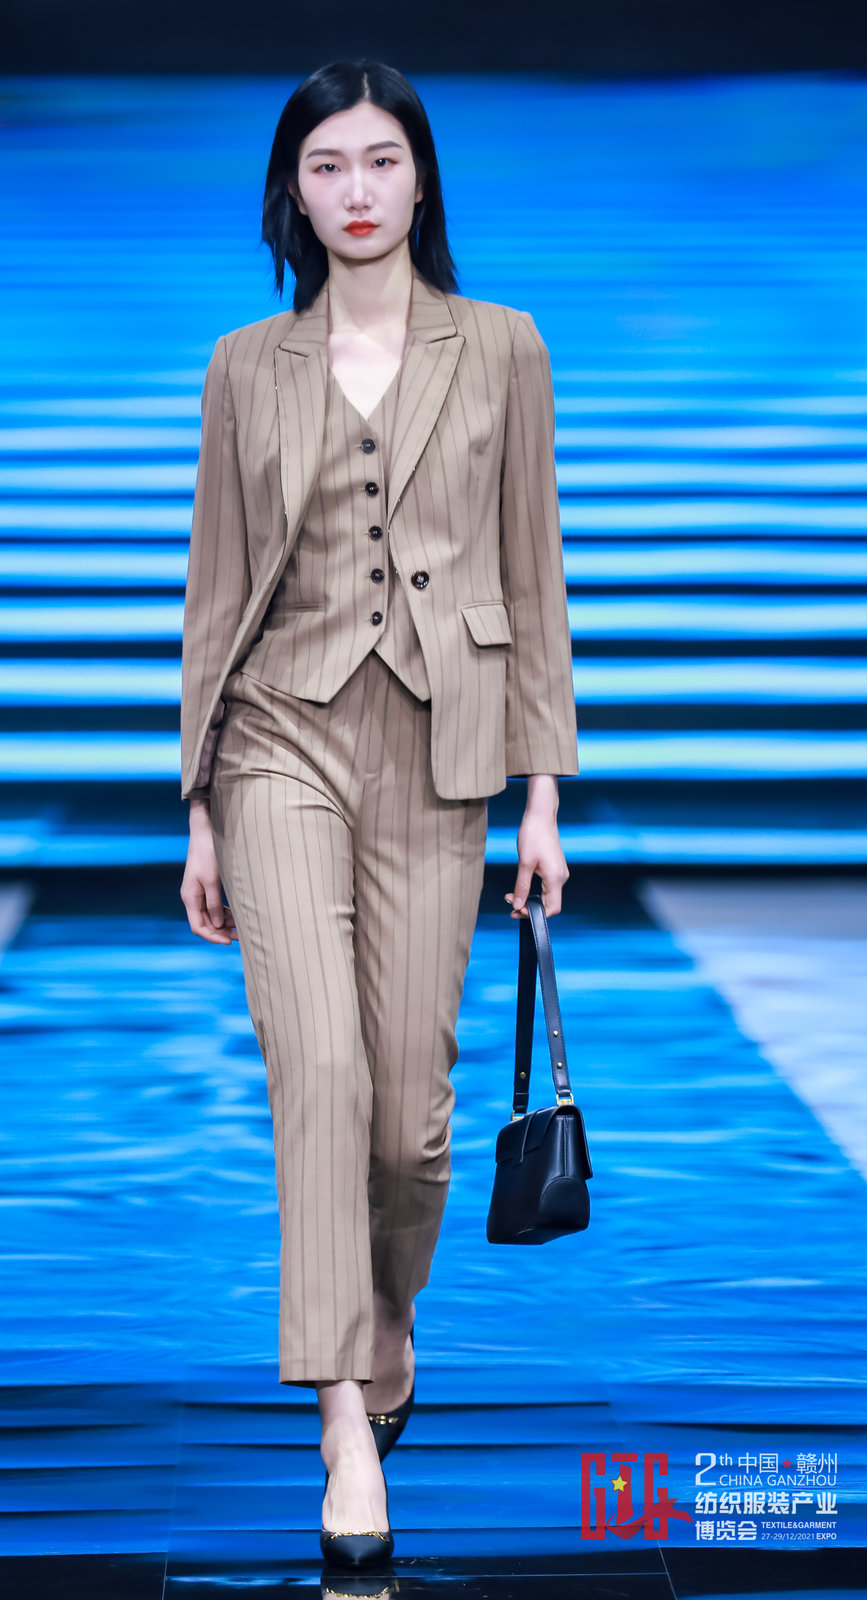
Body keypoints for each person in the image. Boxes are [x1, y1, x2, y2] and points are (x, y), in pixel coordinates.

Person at [179, 59, 578, 1566]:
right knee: (322, 1080)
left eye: (381, 161)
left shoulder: (504, 347)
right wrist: (199, 806)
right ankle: (345, 1421)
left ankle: (388, 1314)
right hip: (277, 738)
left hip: (442, 745)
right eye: (327, 165)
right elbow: (215, 594)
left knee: (409, 1124)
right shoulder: (244, 366)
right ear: (294, 191)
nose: (357, 190)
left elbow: (533, 573)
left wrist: (544, 794)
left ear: (421, 178)